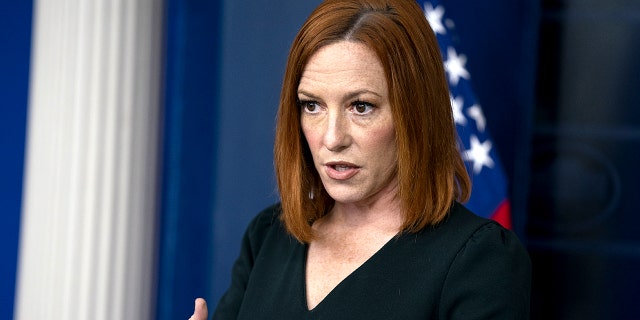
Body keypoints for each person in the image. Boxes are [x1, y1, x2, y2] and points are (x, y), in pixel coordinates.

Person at [190, 0, 531, 319]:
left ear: (416, 115)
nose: (332, 138)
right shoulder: (269, 236)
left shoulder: (480, 259)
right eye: (312, 105)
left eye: (361, 107)